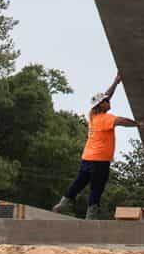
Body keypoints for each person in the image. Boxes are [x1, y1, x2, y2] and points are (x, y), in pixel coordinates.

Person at [53, 75, 137, 219]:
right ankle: (91, 215)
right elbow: (122, 121)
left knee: (79, 182)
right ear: (101, 105)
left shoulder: (92, 115)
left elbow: (106, 95)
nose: (108, 101)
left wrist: (115, 83)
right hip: (101, 160)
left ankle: (63, 203)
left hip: (87, 157)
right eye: (106, 101)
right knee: (97, 187)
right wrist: (138, 124)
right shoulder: (106, 119)